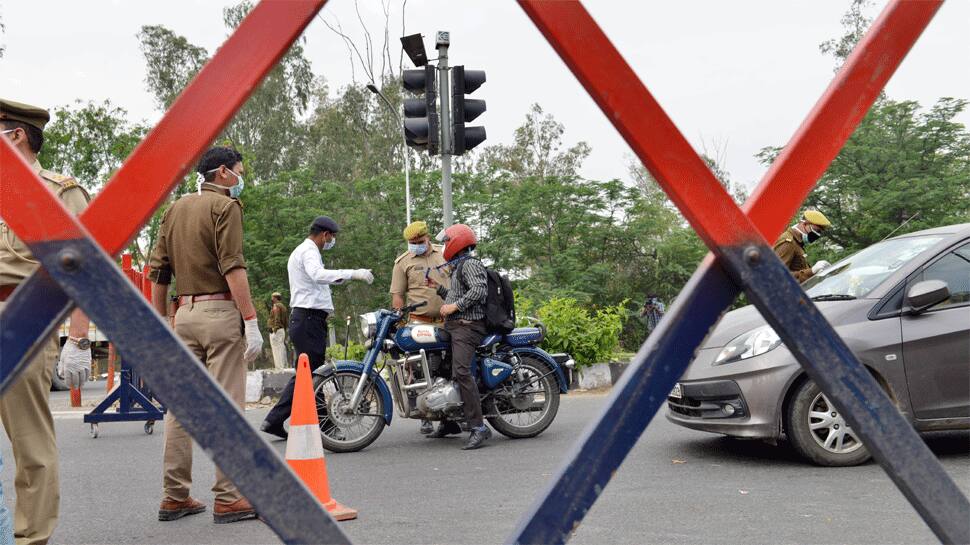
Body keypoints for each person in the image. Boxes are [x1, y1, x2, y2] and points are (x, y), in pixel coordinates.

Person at [148, 146, 263, 524]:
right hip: (219, 313)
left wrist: (163, 318)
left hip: (185, 315)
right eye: (239, 171)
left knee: (181, 408)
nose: (241, 178)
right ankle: (230, 497)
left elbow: (159, 271)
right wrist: (251, 319)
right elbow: (233, 267)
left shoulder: (175, 208)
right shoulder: (225, 208)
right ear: (223, 174)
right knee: (228, 406)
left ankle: (174, 496)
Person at [0, 98, 92, 545]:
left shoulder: (57, 191)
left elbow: (82, 264)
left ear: (15, 134)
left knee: (30, 446)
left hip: (23, 315)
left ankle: (31, 539)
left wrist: (78, 338)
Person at [260, 216, 373, 439]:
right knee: (312, 376)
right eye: (332, 237)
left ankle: (276, 420)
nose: (331, 241)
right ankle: (322, 425)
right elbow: (318, 275)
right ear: (325, 235)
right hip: (308, 320)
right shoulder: (309, 251)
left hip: (306, 320)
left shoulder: (303, 251)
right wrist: (353, 273)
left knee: (308, 376)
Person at [427, 223, 491, 450]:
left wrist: (454, 306)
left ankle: (478, 428)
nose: (444, 245)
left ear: (457, 242)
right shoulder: (458, 267)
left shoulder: (471, 264)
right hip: (455, 326)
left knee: (462, 372)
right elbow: (456, 297)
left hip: (468, 326)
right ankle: (449, 423)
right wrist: (439, 288)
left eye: (446, 241)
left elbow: (479, 290)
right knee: (441, 370)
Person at [390, 220, 450, 435]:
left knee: (446, 369)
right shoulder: (403, 262)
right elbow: (397, 296)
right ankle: (424, 416)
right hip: (419, 323)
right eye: (412, 242)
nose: (416, 245)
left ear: (428, 237)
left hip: (446, 322)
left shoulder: (444, 255)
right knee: (419, 371)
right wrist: (400, 320)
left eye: (419, 241)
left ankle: (448, 417)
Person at [773, 209, 833, 282]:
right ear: (804, 224)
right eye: (816, 230)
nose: (817, 235)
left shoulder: (798, 242)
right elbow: (777, 275)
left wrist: (815, 274)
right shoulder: (788, 242)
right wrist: (812, 271)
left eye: (819, 232)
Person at [267, 292, 289, 370]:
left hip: (276, 330)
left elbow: (277, 318)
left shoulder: (276, 306)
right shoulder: (283, 307)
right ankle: (284, 366)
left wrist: (274, 329)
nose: (271, 299)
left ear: (275, 298)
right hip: (282, 330)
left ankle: (279, 367)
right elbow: (286, 321)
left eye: (272, 297)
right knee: (281, 348)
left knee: (276, 349)